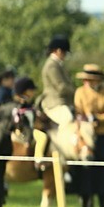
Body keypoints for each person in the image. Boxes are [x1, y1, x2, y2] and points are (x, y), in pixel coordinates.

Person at [74, 64, 104, 207]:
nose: (87, 82)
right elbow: (78, 111)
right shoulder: (80, 92)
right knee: (86, 168)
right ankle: (85, 198)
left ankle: (103, 199)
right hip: (86, 135)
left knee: (102, 167)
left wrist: (98, 119)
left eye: (90, 79)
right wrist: (86, 122)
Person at [34, 34, 75, 169]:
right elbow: (61, 87)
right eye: (64, 52)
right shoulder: (52, 66)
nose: (65, 55)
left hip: (62, 102)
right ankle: (61, 151)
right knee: (67, 119)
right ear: (57, 51)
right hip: (53, 103)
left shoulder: (58, 65)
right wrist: (77, 92)